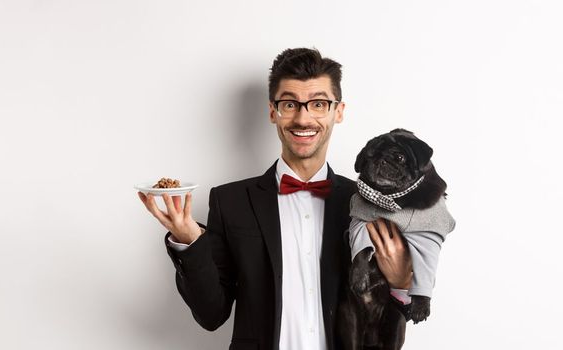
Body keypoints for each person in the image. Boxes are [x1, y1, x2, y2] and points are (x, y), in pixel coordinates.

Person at [137, 47, 414, 350]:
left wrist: (400, 283)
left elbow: (380, 330)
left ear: (339, 111)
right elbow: (211, 314)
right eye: (290, 104)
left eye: (318, 104)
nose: (303, 118)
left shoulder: (367, 205)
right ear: (273, 111)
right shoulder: (230, 201)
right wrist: (189, 240)